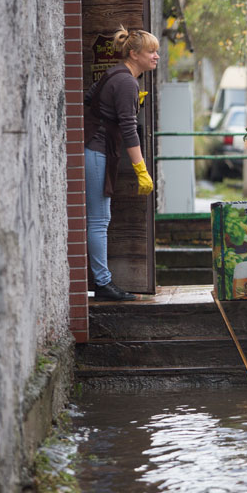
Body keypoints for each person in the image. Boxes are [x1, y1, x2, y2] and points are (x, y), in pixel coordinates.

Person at [84, 25, 159, 301]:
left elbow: (91, 96)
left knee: (98, 218)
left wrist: (121, 106)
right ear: (134, 54)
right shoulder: (127, 81)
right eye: (151, 52)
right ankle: (102, 284)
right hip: (95, 149)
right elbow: (129, 130)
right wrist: (141, 170)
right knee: (99, 219)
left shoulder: (116, 73)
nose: (156, 57)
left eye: (157, 52)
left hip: (95, 147)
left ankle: (102, 281)